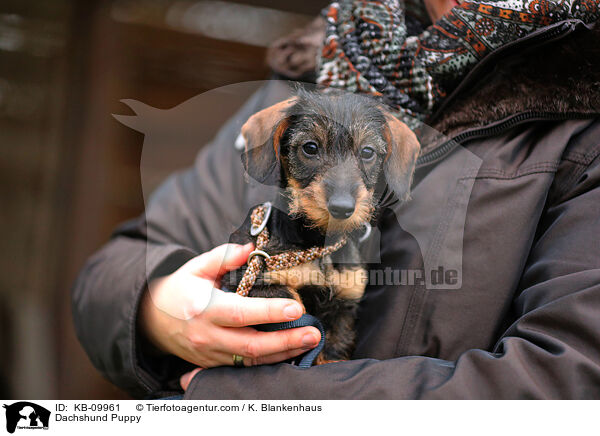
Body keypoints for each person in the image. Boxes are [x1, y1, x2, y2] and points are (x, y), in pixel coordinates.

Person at [72, 0, 600, 399]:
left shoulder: (583, 117)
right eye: (309, 151)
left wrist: (239, 397)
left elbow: (564, 383)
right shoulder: (311, 72)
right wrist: (163, 310)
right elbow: (111, 275)